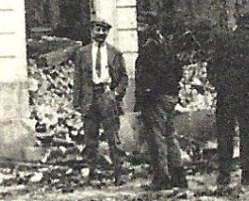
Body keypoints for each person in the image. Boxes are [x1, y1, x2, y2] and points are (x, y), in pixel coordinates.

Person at [209, 8, 249, 189]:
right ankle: (247, 172)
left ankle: (224, 174)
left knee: (224, 134)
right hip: (246, 94)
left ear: (237, 21)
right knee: (247, 133)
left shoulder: (225, 40)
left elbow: (212, 66)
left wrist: (219, 85)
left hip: (226, 94)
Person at [133, 12, 187, 191]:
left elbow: (148, 76)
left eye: (142, 24)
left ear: (150, 26)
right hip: (169, 95)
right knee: (169, 135)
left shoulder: (150, 47)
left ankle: (162, 177)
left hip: (156, 98)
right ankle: (178, 175)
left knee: (156, 138)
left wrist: (147, 93)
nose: (139, 27)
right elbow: (178, 70)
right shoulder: (166, 44)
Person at [72, 17, 127, 182]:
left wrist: (116, 94)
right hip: (89, 98)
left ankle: (118, 173)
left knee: (113, 137)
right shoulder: (82, 53)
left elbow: (124, 77)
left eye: (104, 30)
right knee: (90, 137)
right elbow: (78, 79)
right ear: (91, 31)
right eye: (98, 29)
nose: (101, 33)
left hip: (106, 96)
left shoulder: (114, 53)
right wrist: (77, 102)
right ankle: (92, 172)